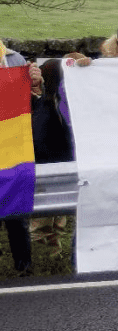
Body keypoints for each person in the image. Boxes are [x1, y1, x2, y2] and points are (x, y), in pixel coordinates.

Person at [29, 59, 75, 250]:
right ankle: (42, 242)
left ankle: (53, 239)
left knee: (56, 212)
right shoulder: (46, 106)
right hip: (47, 164)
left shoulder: (57, 104)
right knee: (45, 211)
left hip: (59, 163)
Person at [0, 42, 32, 274]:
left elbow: (27, 103)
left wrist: (35, 82)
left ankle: (25, 268)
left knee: (16, 214)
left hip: (11, 151)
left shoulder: (14, 59)